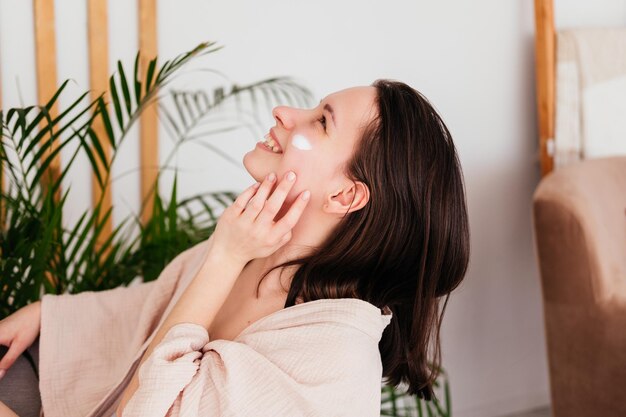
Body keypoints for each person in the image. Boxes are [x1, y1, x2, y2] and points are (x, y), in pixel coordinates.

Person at [0, 79, 470, 417]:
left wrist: (227, 255)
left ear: (346, 196)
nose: (285, 113)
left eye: (321, 121)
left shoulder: (332, 361)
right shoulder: (258, 249)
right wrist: (47, 315)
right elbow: (149, 308)